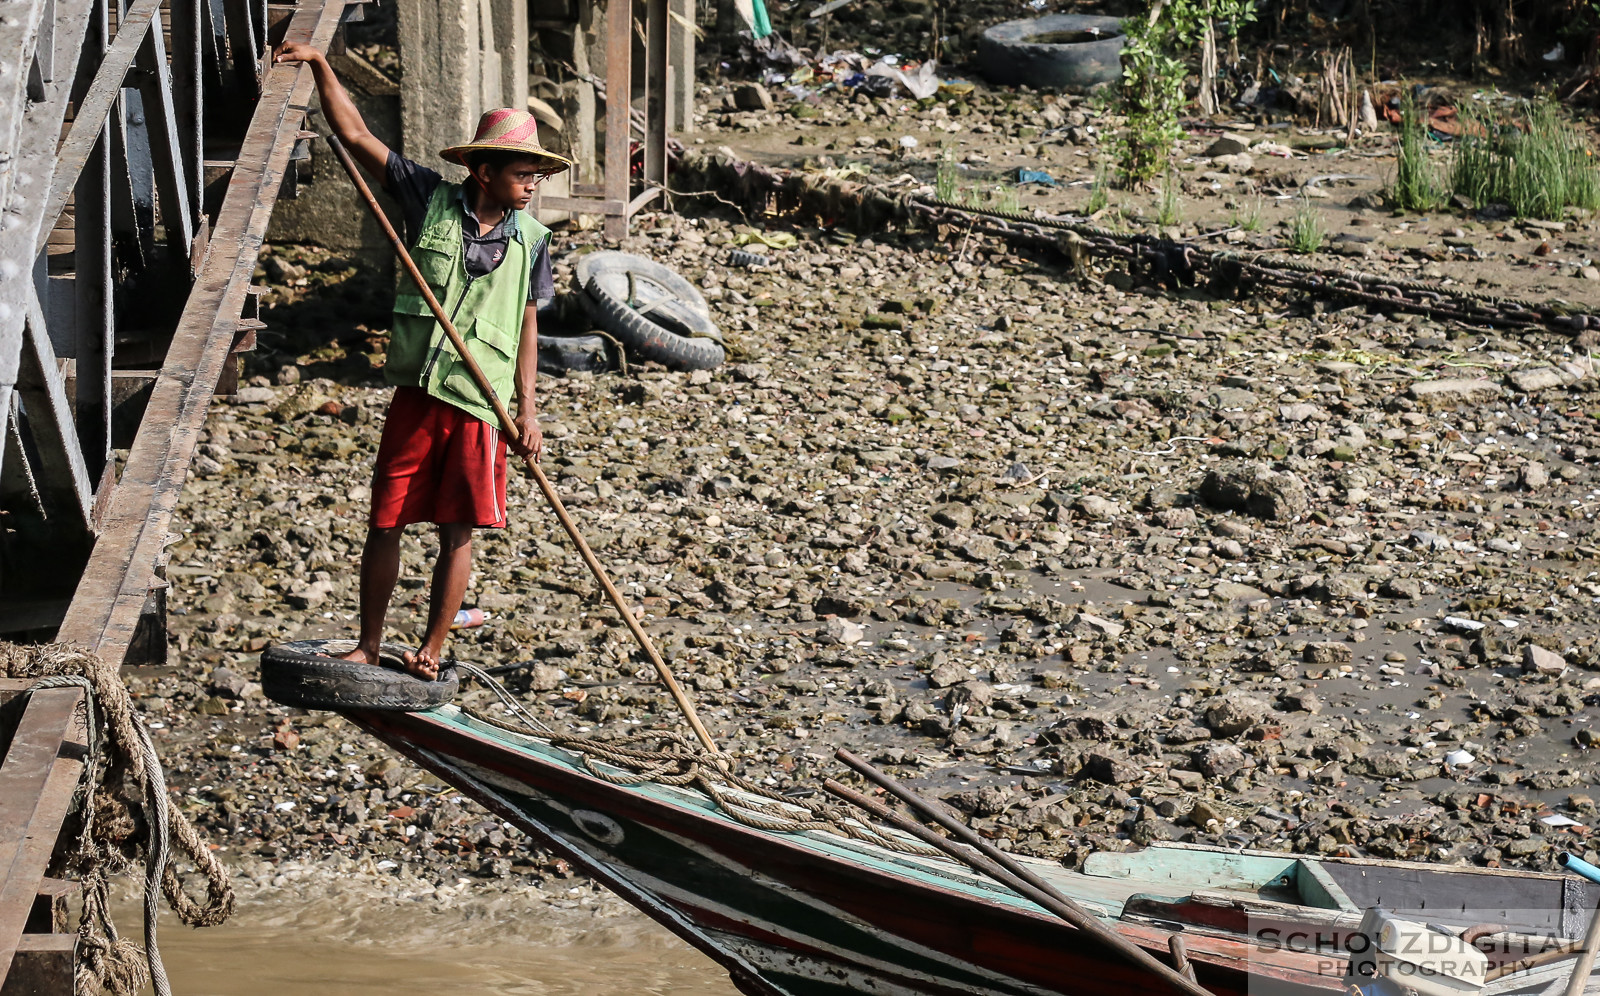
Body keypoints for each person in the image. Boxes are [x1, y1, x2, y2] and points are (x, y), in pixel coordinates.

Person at [272, 42, 572, 680]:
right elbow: (354, 135)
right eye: (523, 174)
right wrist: (323, 66)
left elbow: (526, 322)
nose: (531, 186)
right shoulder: (427, 197)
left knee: (458, 528)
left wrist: (528, 412)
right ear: (484, 171)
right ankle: (369, 644)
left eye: (536, 176)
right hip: (421, 392)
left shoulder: (534, 240)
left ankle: (432, 649)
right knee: (386, 520)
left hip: (480, 401)